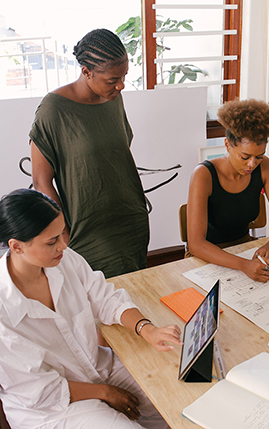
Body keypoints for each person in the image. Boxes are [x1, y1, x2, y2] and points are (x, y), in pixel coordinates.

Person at [0, 189, 182, 429]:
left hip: (97, 367)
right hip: (51, 408)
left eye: (62, 233)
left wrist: (147, 329)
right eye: (52, 241)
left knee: (175, 399)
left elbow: (105, 298)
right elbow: (39, 390)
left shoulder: (63, 259)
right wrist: (104, 392)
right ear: (17, 246)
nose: (63, 245)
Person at [30, 28, 149, 279]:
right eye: (112, 80)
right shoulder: (53, 110)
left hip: (130, 218)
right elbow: (41, 181)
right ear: (87, 72)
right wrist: (62, 233)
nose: (121, 85)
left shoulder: (113, 98)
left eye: (124, 76)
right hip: (88, 229)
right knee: (99, 301)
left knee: (135, 293)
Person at [187, 99, 269, 282]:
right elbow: (196, 244)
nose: (252, 164)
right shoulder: (203, 175)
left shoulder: (264, 167)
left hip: (245, 250)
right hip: (208, 258)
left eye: (259, 157)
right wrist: (243, 265)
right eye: (245, 157)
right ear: (228, 145)